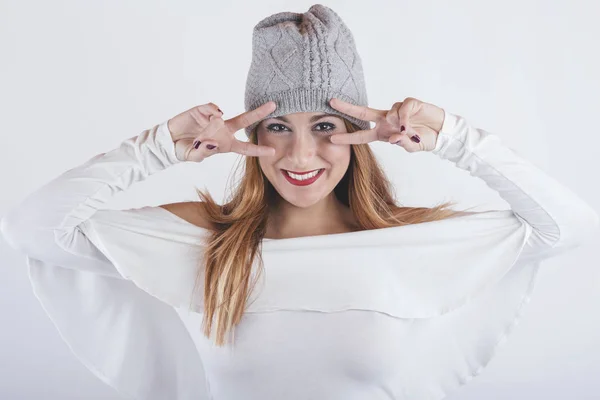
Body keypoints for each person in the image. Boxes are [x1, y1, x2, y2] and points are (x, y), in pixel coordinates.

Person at [1, 4, 598, 400]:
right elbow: (34, 229)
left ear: (361, 133)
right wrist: (159, 147)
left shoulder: (407, 241)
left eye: (329, 126)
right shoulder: (206, 239)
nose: (302, 153)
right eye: (279, 126)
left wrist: (455, 137)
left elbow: (568, 228)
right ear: (254, 134)